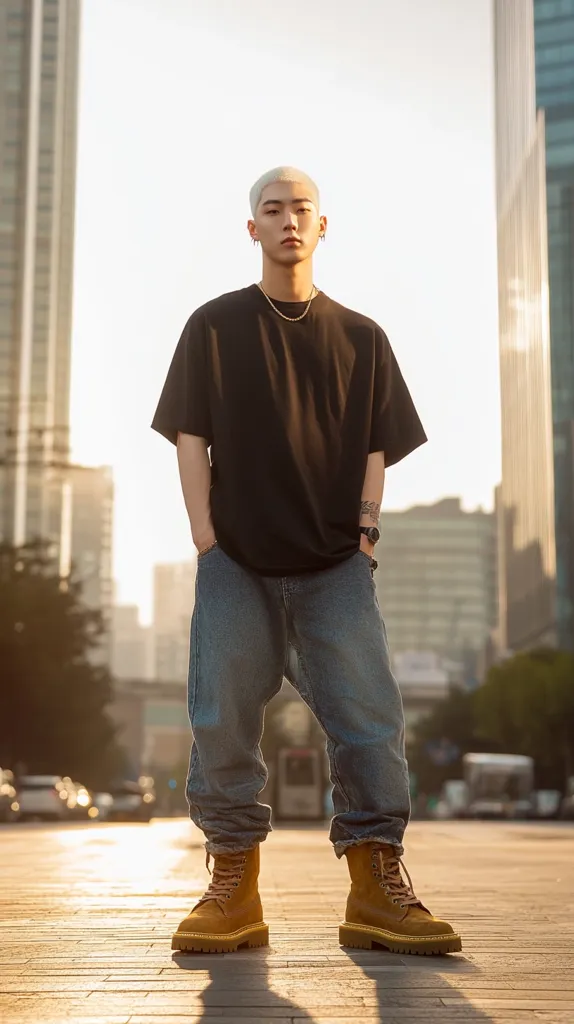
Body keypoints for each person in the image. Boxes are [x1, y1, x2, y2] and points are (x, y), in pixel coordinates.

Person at [151, 166, 461, 957]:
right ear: (251, 229)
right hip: (238, 561)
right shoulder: (213, 326)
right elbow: (191, 434)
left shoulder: (362, 337)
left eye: (302, 210)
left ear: (324, 226)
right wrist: (204, 535)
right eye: (272, 210)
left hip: (334, 567)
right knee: (220, 716)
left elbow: (375, 443)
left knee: (370, 723)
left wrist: (364, 531)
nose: (288, 221)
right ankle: (233, 887)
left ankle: (376, 887)